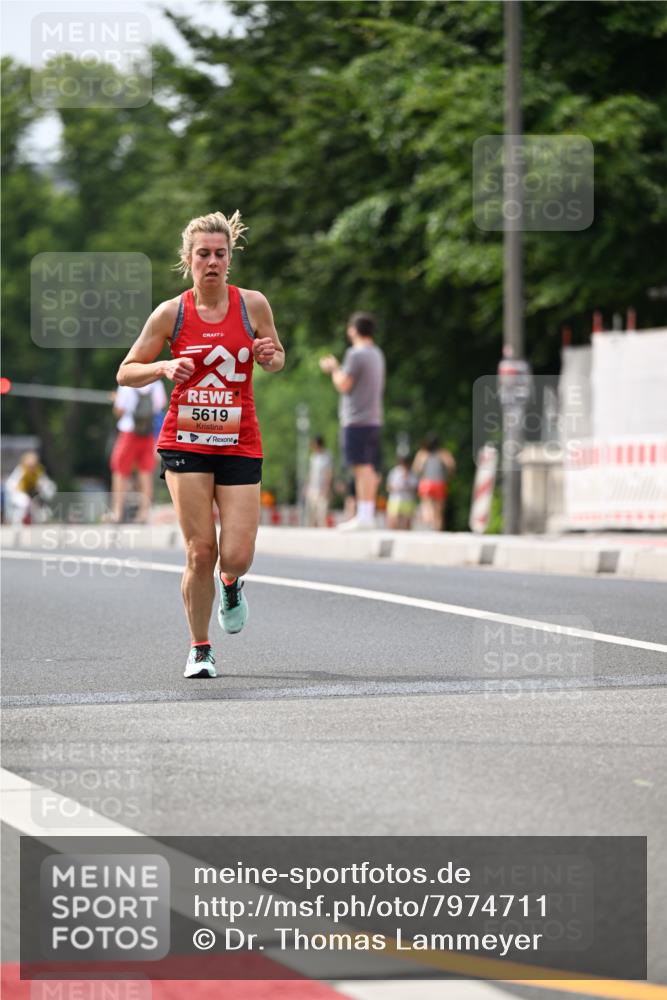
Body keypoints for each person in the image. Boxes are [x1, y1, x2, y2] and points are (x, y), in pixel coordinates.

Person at [116, 210, 285, 678]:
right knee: (199, 551)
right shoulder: (172, 313)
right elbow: (126, 370)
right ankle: (200, 647)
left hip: (239, 440)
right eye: (203, 254)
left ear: (230, 258)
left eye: (220, 254)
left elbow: (275, 357)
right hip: (185, 440)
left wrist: (271, 355)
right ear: (188, 259)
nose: (212, 262)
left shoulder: (253, 305)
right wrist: (163, 368)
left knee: (235, 554)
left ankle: (231, 583)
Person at [319, 312, 385, 530]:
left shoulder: (355, 354)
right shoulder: (377, 353)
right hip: (374, 417)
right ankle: (367, 513)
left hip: (356, 419)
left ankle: (364, 516)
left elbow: (344, 384)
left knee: (361, 467)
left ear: (354, 330)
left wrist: (334, 368)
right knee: (368, 467)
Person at [109, 381, 167, 523]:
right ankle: (143, 513)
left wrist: (116, 399)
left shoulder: (127, 381)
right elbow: (160, 405)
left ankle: (117, 512)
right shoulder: (156, 383)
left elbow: (119, 410)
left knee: (120, 471)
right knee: (146, 472)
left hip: (129, 431)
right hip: (147, 432)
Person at [412, 432, 456, 531]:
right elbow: (451, 466)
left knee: (427, 505)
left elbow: (416, 469)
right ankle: (437, 529)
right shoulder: (443, 453)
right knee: (439, 511)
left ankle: (429, 523)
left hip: (426, 483)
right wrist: (448, 477)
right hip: (440, 483)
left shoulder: (422, 453)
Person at [4, 451, 55, 524]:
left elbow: (45, 484)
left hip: (32, 494)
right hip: (20, 493)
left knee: (49, 490)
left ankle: (43, 513)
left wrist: (43, 488)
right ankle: (17, 521)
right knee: (24, 502)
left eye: (33, 464)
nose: (31, 466)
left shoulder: (38, 471)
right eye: (29, 464)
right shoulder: (21, 470)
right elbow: (11, 484)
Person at [304, 436, 332, 527]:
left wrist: (326, 488)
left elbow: (328, 473)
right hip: (312, 487)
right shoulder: (313, 457)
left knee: (321, 514)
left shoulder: (327, 456)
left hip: (322, 488)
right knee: (310, 512)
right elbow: (310, 472)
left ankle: (322, 533)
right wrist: (306, 486)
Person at [385, 456, 418, 530]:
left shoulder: (412, 473)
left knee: (406, 523)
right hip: (395, 499)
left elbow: (415, 488)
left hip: (408, 500)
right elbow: (388, 487)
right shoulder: (394, 472)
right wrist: (396, 487)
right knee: (393, 521)